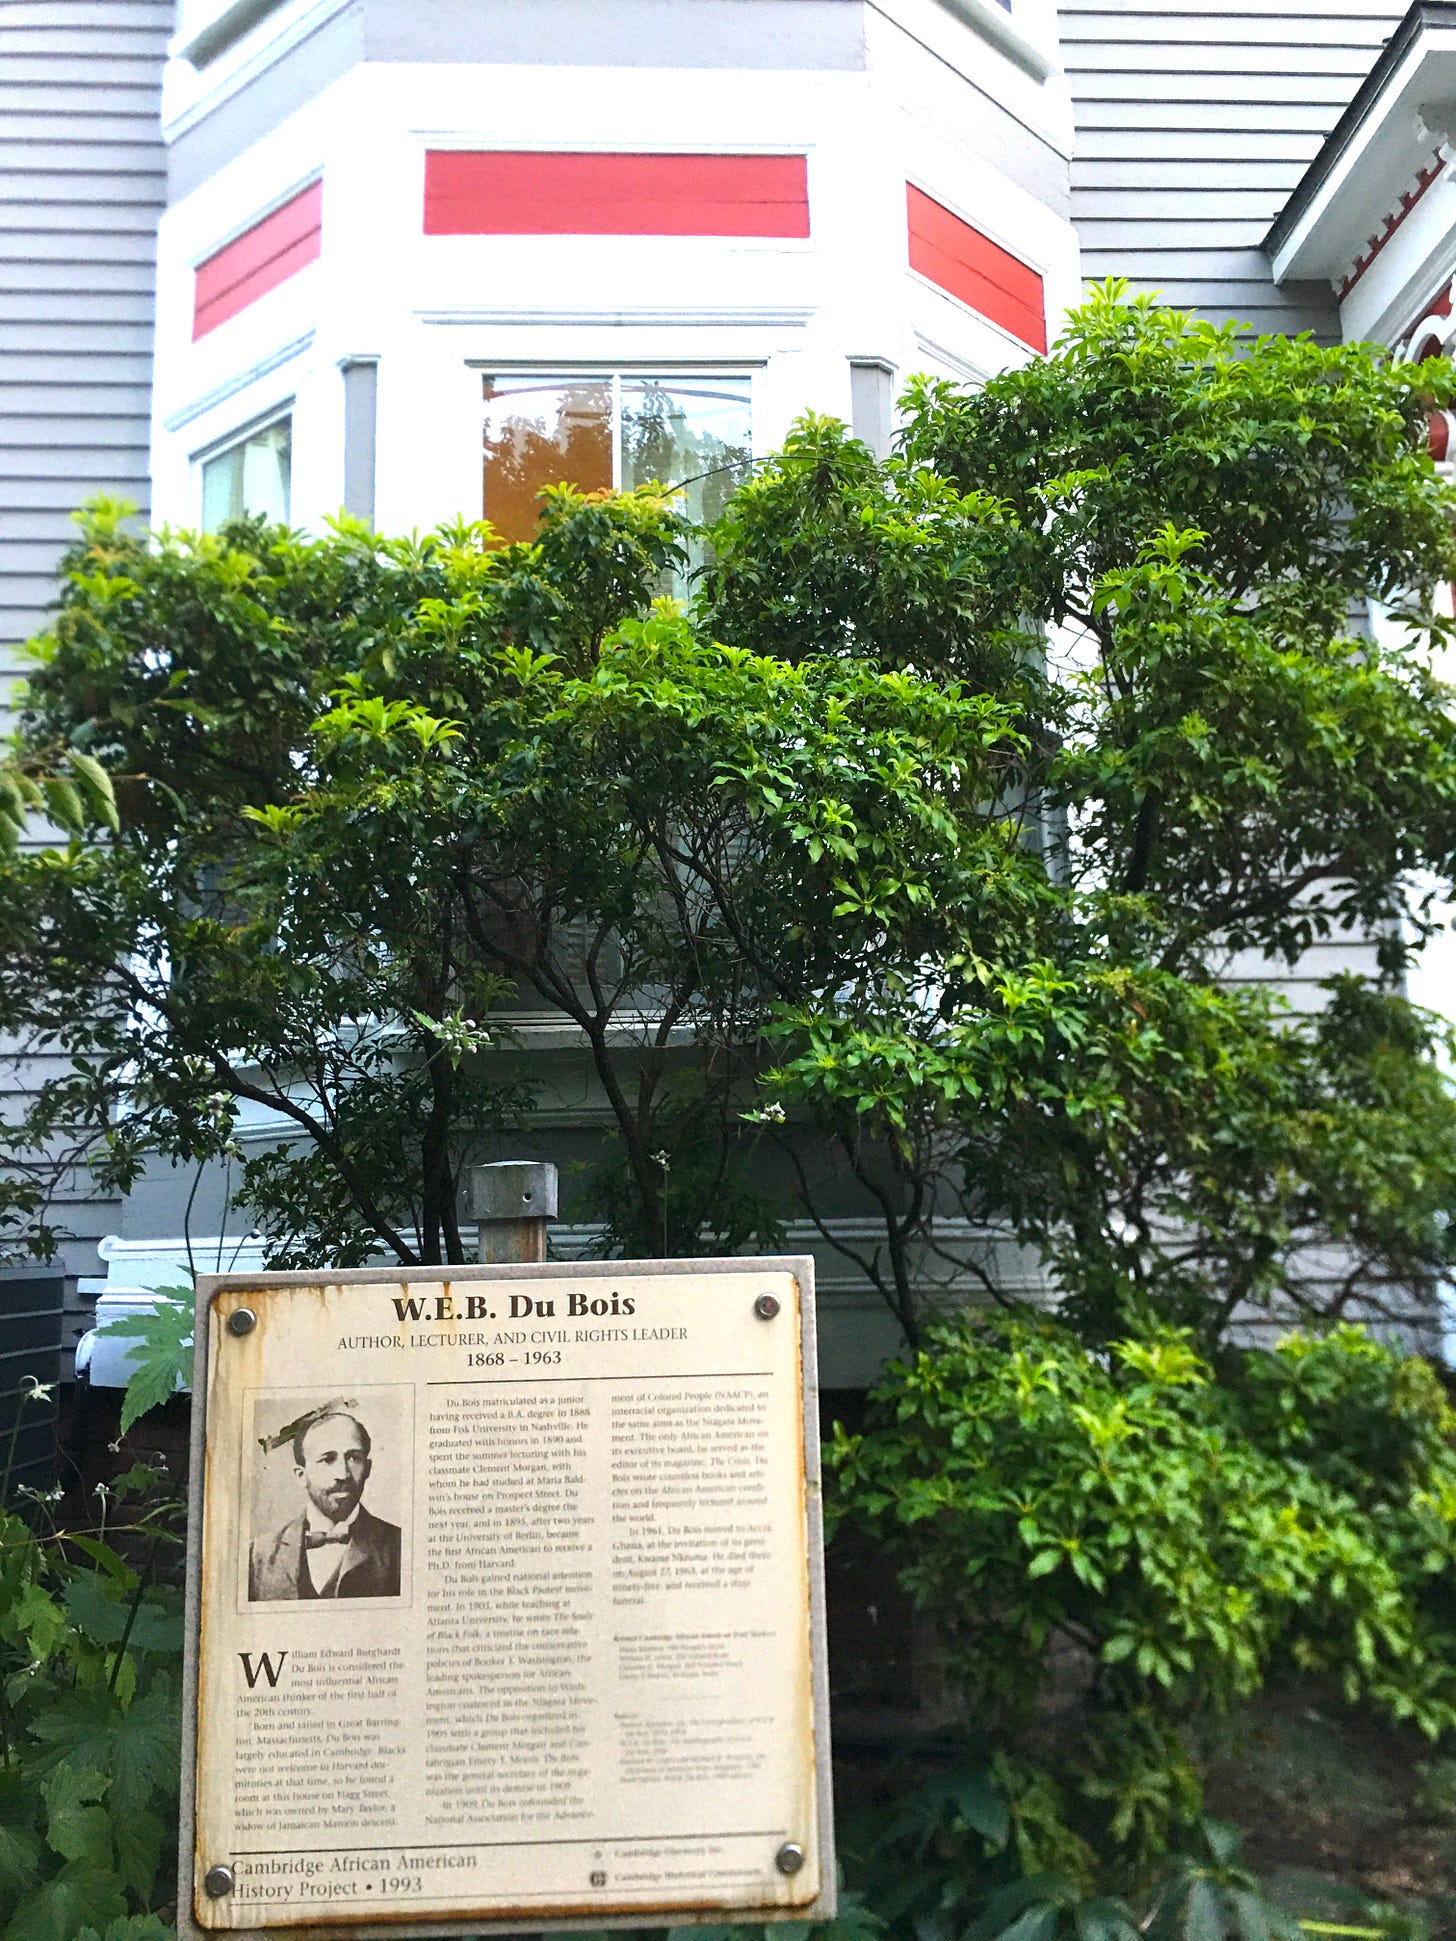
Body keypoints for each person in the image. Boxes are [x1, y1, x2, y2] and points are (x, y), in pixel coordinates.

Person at [248, 1406, 402, 1600]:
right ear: (301, 1475)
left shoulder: (400, 1546)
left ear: (368, 1468)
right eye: (328, 1459)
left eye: (354, 1458)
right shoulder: (259, 1555)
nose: (343, 1474)